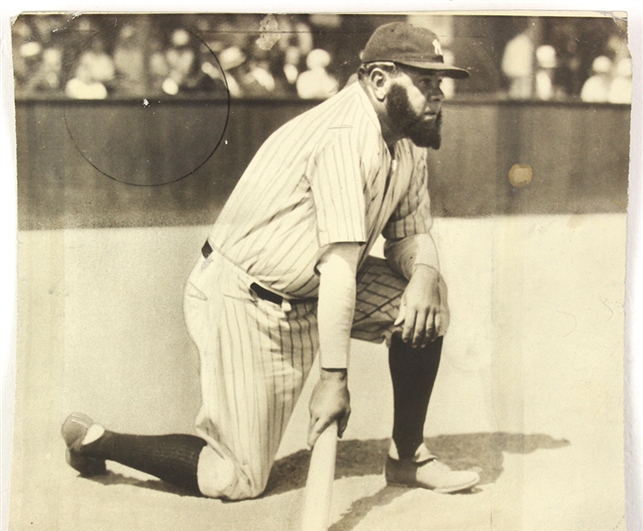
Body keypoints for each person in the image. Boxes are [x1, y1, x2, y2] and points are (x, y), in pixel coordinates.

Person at [62, 22, 481, 500]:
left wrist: (427, 270)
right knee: (235, 478)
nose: (438, 94)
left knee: (426, 303)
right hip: (248, 299)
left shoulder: (406, 137)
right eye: (425, 81)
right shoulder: (345, 134)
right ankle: (100, 441)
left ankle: (407, 458)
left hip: (317, 285)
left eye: (440, 83)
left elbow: (408, 236)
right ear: (380, 81)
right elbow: (340, 267)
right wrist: (333, 381)